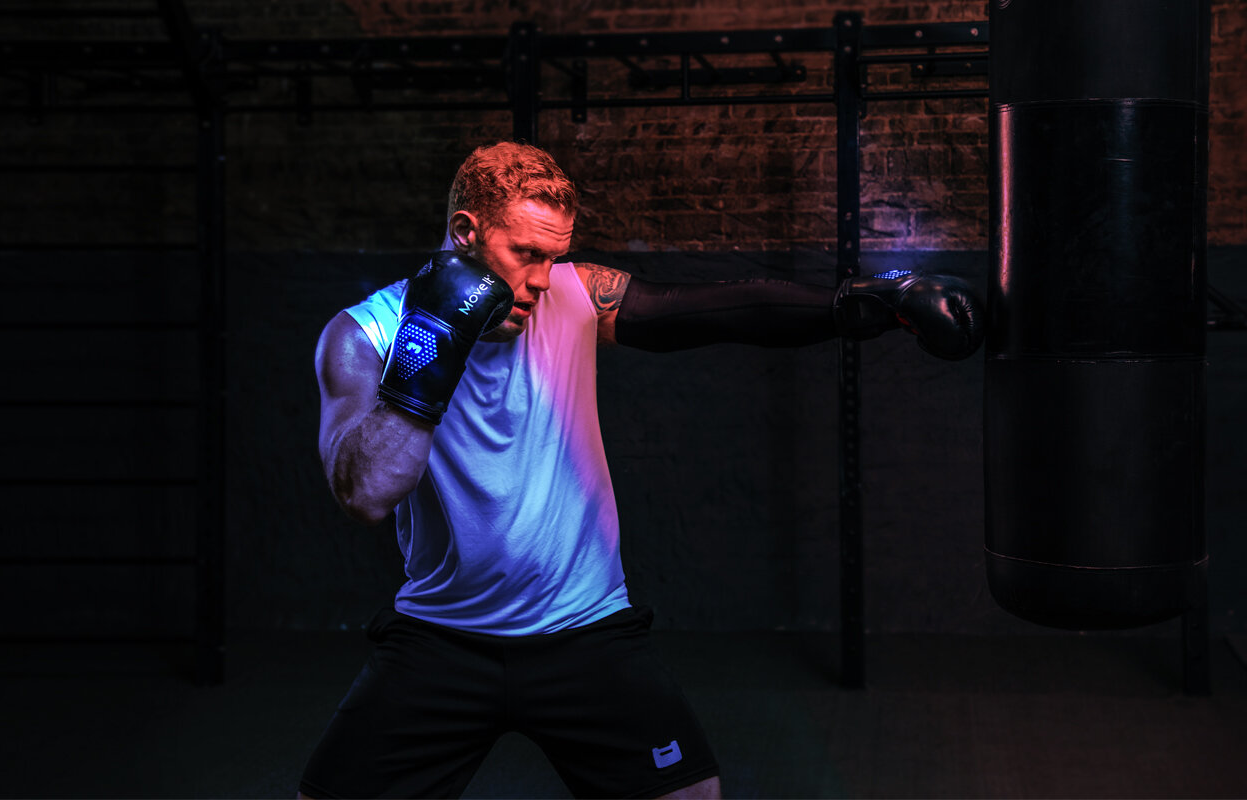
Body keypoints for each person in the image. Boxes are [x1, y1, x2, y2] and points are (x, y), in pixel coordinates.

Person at [300, 141, 983, 799]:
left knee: (690, 794)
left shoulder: (574, 295)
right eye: (526, 254)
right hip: (442, 637)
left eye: (554, 257)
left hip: (585, 629)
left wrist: (871, 302)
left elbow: (713, 312)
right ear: (464, 233)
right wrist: (429, 346)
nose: (541, 280)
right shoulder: (366, 335)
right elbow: (366, 494)